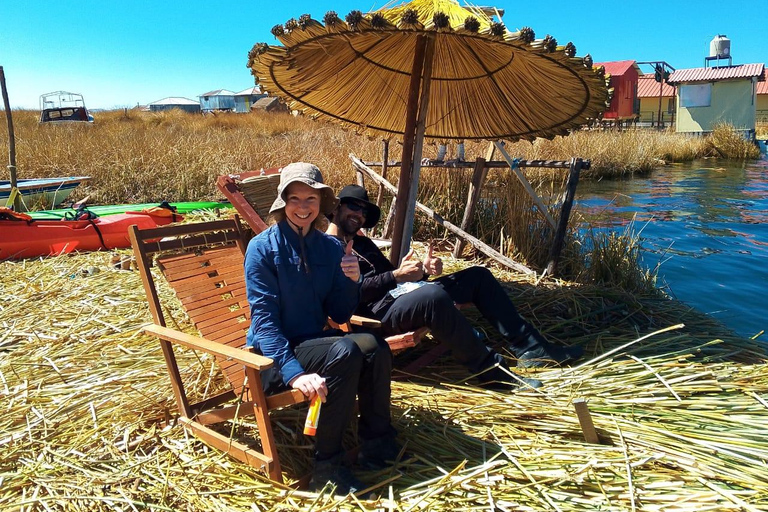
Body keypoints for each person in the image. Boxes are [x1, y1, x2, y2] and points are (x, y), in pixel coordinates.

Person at [326, 185, 584, 388]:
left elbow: (391, 277)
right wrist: (396, 276)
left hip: (400, 297)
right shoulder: (326, 248)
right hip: (374, 316)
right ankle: (492, 372)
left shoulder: (363, 243)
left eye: (363, 211)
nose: (359, 214)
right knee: (434, 295)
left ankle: (530, 347)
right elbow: (351, 296)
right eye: (353, 206)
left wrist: (421, 271)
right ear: (336, 207)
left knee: (477, 276)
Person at [244, 164, 399, 497]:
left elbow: (340, 312)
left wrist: (351, 280)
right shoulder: (262, 248)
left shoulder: (330, 248)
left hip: (313, 342)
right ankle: (327, 467)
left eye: (311, 198)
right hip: (272, 358)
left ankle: (376, 441)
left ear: (321, 202)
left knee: (374, 344)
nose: (303, 207)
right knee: (345, 351)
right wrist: (294, 373)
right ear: (283, 202)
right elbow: (265, 322)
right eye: (295, 198)